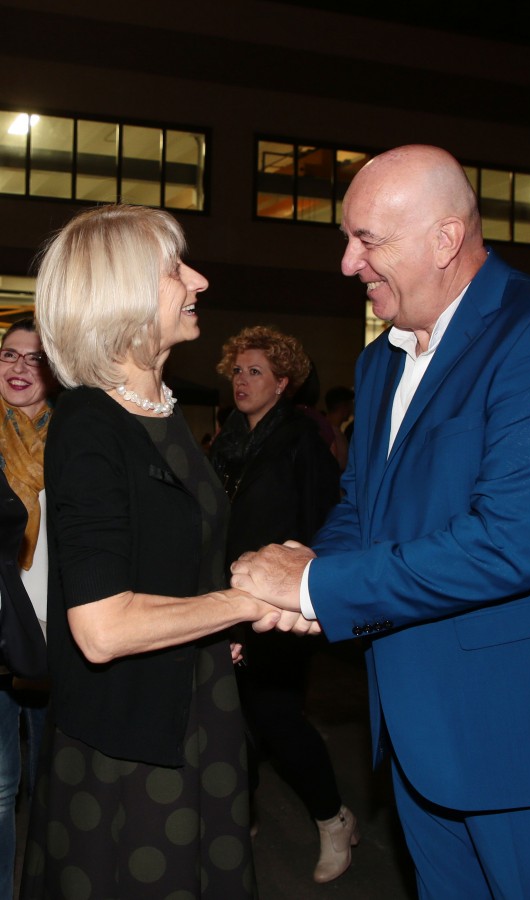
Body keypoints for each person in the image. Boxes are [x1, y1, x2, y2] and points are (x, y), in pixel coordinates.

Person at [230, 145, 530, 899]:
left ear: (445, 239)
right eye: (348, 239)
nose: (348, 263)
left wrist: (315, 587)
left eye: (367, 240)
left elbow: (507, 546)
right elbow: (362, 505)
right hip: (414, 736)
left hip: (526, 743)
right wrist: (308, 575)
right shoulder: (381, 360)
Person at [19, 204, 284, 900]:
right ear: (122, 295)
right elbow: (102, 628)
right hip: (130, 741)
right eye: (175, 269)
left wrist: (217, 620)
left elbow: (171, 555)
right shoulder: (90, 425)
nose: (198, 279)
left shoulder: (158, 413)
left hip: (195, 707)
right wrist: (242, 603)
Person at [210, 325, 359, 884]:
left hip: (280, 606)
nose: (242, 380)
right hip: (226, 598)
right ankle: (241, 816)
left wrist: (309, 598)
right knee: (232, 717)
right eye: (237, 370)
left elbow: (325, 523)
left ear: (282, 383)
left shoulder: (300, 440)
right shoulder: (227, 441)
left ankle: (333, 818)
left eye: (256, 371)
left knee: (274, 716)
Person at [0, 316, 54, 900]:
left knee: (54, 784)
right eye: (9, 355)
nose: (18, 367)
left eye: (34, 358)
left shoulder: (76, 440)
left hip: (61, 633)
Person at [324, 385, 354, 471]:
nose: (352, 409)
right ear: (344, 407)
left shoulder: (334, 431)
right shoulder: (330, 433)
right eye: (351, 404)